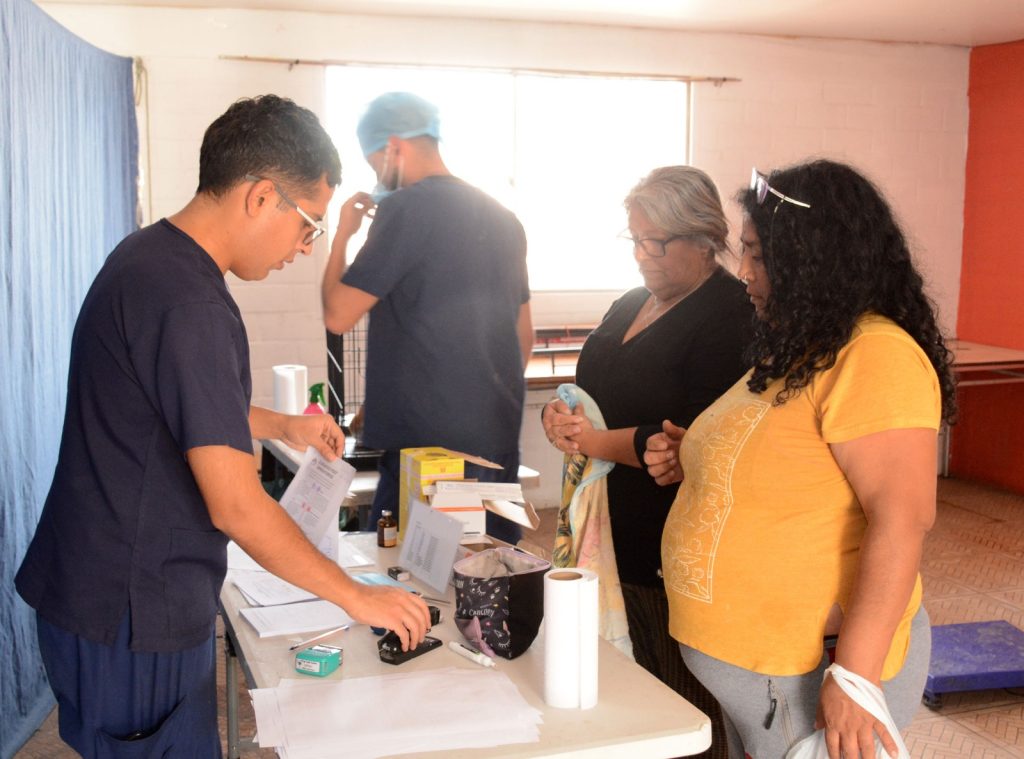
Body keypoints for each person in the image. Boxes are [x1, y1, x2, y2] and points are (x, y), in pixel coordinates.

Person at [15, 95, 430, 758]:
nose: (305, 248)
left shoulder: (149, 258)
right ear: (262, 196)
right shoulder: (192, 301)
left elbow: (166, 403)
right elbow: (236, 504)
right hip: (131, 612)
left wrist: (280, 423)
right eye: (309, 225)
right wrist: (356, 595)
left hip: (94, 591)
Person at [649, 159, 957, 759]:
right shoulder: (805, 345)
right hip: (755, 667)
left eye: (759, 255)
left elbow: (902, 520)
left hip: (811, 668)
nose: (744, 271)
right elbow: (790, 455)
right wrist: (705, 457)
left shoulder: (876, 356)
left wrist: (855, 677)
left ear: (815, 258)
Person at [542, 166, 753, 759]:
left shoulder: (730, 315)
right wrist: (561, 418)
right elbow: (594, 394)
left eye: (655, 243)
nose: (641, 255)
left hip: (670, 543)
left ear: (704, 239)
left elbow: (686, 444)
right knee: (625, 692)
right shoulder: (632, 302)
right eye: (634, 239)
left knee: (683, 705)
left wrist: (592, 440)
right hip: (611, 534)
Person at [321, 92, 533, 545]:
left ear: (393, 147)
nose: (377, 174)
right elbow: (523, 337)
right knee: (489, 565)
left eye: (374, 162)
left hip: (428, 449)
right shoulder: (504, 220)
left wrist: (342, 235)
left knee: (409, 569)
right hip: (495, 436)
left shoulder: (404, 210)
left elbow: (338, 314)